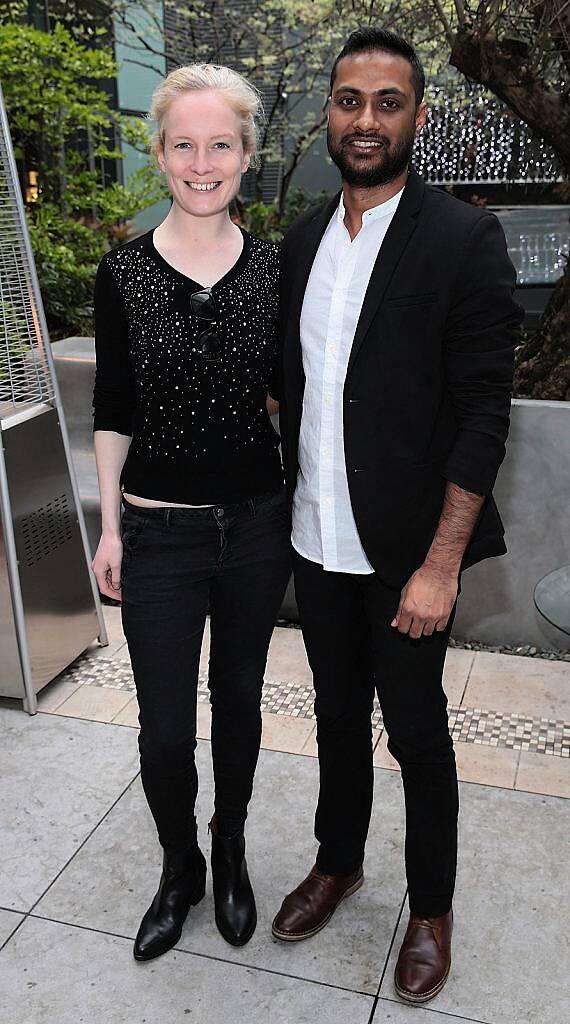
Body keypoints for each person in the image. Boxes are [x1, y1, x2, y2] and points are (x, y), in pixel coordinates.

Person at [271, 28, 522, 1004]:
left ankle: (430, 907)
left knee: (417, 734)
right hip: (314, 536)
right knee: (336, 718)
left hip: (410, 552)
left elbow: (484, 414)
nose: (364, 119)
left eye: (386, 102)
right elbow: (298, 390)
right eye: (348, 101)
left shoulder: (463, 238)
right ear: (327, 115)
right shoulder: (300, 243)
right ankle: (340, 863)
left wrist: (442, 563)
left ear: (417, 116)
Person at [91, 64, 291, 960]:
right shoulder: (124, 272)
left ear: (247, 155)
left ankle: (232, 850)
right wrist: (107, 528)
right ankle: (180, 866)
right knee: (166, 731)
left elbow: (297, 396)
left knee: (240, 706)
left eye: (220, 144)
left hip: (255, 531)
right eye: (183, 144)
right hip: (160, 533)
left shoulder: (280, 270)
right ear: (160, 154)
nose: (201, 162)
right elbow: (113, 407)